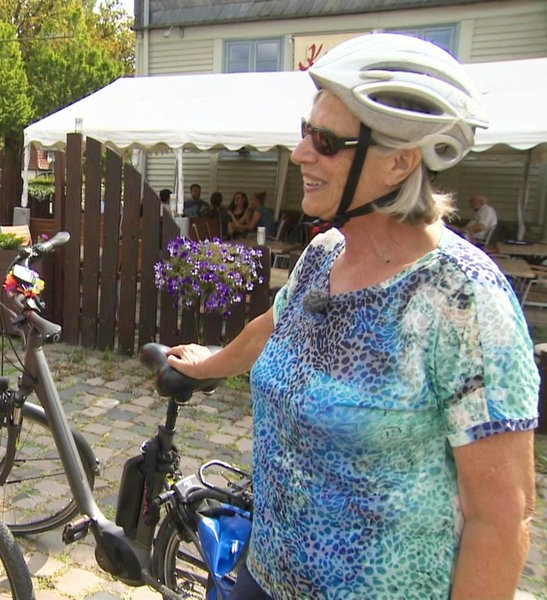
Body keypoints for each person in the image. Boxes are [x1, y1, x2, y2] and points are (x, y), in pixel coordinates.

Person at [166, 33, 537, 599]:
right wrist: (206, 364)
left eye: (327, 141)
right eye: (304, 131)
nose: (300, 154)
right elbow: (271, 329)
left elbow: (501, 518)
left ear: (399, 164)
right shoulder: (324, 255)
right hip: (263, 577)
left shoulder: (463, 298)